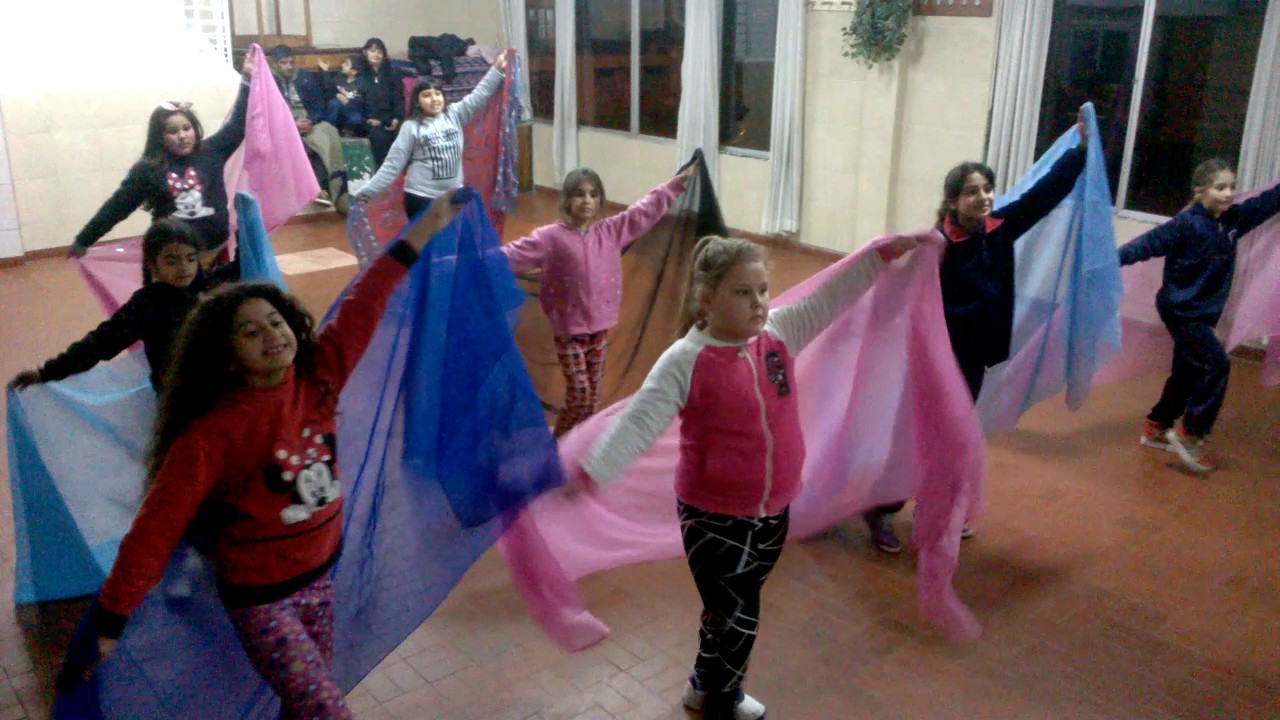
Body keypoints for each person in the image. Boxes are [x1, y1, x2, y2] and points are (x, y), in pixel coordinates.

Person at [82, 191, 466, 719]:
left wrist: (426, 227)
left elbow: (368, 297)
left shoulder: (320, 377)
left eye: (275, 321)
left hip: (320, 581)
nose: (270, 335)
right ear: (228, 356)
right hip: (262, 601)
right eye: (250, 331)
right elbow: (156, 526)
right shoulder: (214, 433)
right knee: (324, 709)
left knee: (302, 705)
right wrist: (110, 620)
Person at [568, 232, 924, 720]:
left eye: (762, 290)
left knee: (729, 609)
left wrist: (885, 252)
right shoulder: (684, 361)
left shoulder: (779, 333)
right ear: (706, 300)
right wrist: (593, 472)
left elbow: (833, 296)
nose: (758, 302)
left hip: (774, 507)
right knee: (738, 616)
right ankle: (721, 701)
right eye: (742, 292)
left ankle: (703, 686)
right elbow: (638, 422)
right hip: (714, 515)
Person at [864, 110, 1090, 553]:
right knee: (920, 434)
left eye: (987, 188)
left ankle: (938, 509)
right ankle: (882, 508)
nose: (983, 197)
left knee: (954, 436)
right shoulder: (936, 245)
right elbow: (905, 294)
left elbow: (1043, 196)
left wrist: (1081, 151)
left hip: (972, 355)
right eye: (972, 192)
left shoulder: (998, 229)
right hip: (936, 356)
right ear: (953, 201)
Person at [499, 162, 693, 436]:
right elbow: (509, 256)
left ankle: (574, 443)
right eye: (579, 194)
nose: (587, 201)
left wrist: (675, 185)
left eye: (593, 194)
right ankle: (558, 446)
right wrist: (463, 260)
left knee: (589, 401)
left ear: (600, 199)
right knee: (580, 396)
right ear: (567, 200)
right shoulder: (550, 238)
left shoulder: (610, 231)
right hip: (569, 332)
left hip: (599, 330)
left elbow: (643, 211)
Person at [1119, 159, 1280, 472]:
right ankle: (1191, 434)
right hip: (1182, 311)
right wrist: (1110, 260)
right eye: (1220, 188)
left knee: (1187, 370)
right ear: (1199, 191)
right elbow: (1146, 244)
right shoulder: (1186, 224)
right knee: (1216, 364)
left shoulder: (1232, 221)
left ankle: (1157, 425)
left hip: (1202, 313)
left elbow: (1267, 202)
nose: (1228, 193)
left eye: (1232, 187)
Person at [69, 48, 258, 259]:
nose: (182, 136)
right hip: (172, 258)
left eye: (186, 128)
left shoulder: (212, 152)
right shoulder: (148, 169)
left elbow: (238, 123)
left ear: (195, 129)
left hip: (215, 250)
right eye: (172, 131)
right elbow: (117, 206)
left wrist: (247, 78)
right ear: (159, 136)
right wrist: (84, 239)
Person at [11, 219, 242, 391]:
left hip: (218, 386)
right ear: (153, 266)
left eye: (190, 258)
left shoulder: (209, 285)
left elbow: (242, 266)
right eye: (171, 261)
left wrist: (246, 228)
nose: (184, 267)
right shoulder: (146, 305)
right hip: (179, 398)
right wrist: (46, 372)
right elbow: (100, 342)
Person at [355, 51, 508, 219]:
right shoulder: (411, 127)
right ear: (417, 102)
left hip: (453, 197)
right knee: (429, 238)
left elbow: (480, 94)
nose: (434, 99)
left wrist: (497, 68)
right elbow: (392, 165)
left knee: (454, 237)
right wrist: (366, 193)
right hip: (421, 198)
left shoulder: (455, 114)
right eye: (426, 95)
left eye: (437, 93)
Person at [269, 45, 350, 212]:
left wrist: (311, 120)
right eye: (283, 63)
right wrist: (292, 124)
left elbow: (319, 105)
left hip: (308, 122)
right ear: (275, 64)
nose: (289, 66)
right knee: (305, 147)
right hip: (283, 126)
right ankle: (318, 190)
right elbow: (267, 112)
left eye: (291, 62)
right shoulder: (267, 81)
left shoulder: (304, 77)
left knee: (329, 132)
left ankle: (340, 192)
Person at [354, 37, 403, 166]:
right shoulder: (359, 75)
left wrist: (397, 118)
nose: (376, 55)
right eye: (372, 51)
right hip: (369, 120)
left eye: (380, 52)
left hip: (390, 119)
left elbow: (399, 98)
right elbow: (357, 102)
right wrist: (371, 120)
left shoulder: (392, 74)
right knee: (380, 136)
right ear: (365, 52)